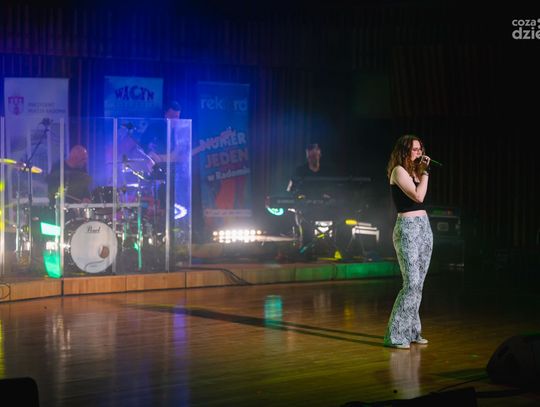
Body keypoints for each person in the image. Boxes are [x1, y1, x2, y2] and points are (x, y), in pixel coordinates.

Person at [384, 134, 433, 349]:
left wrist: (421, 172)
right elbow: (418, 196)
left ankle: (413, 331)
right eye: (415, 149)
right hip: (407, 228)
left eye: (420, 149)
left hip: (424, 227)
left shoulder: (415, 172)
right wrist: (425, 173)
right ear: (404, 151)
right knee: (411, 283)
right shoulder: (398, 171)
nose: (419, 153)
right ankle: (394, 335)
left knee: (419, 284)